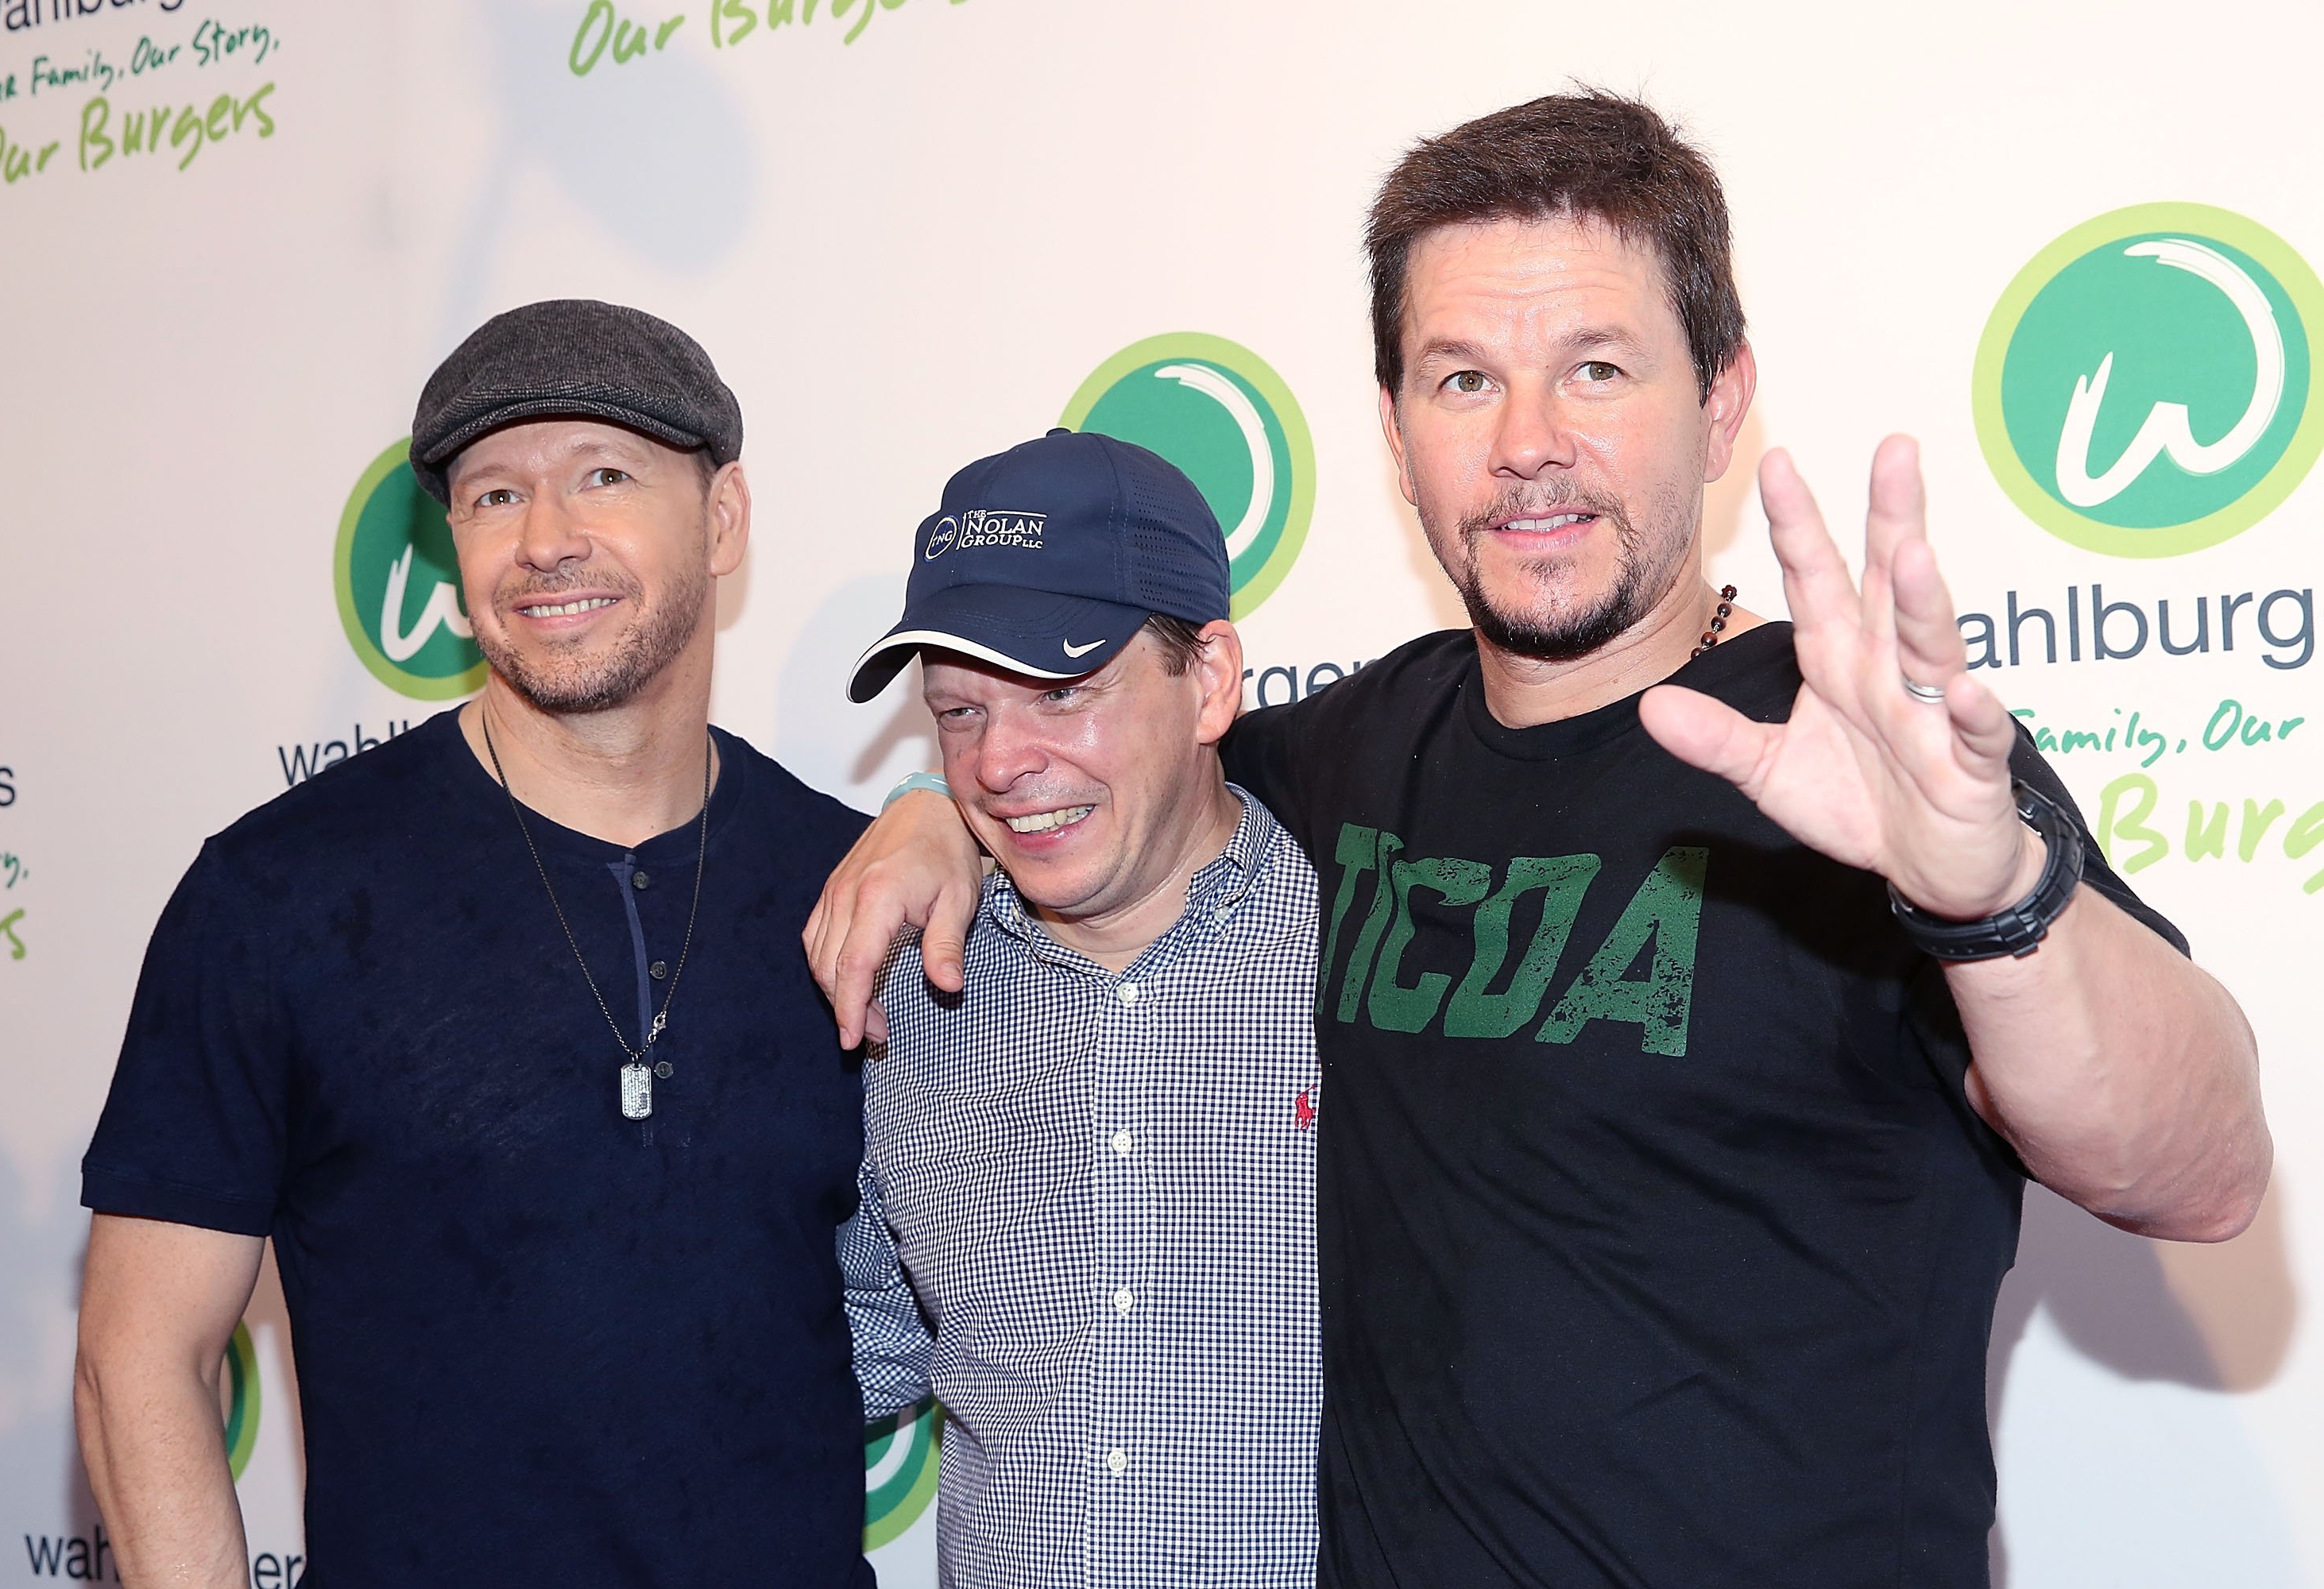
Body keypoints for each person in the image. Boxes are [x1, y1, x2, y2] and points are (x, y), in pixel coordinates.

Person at [803, 95, 2272, 1587]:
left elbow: (2203, 1174)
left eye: (1595, 368)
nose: (1525, 445)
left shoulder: (1861, 755)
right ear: (1393, 434)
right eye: (1461, 379)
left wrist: (1997, 901)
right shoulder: (1350, 752)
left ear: (1720, 401)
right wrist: (932, 820)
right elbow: (1095, 779)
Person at [75, 300, 876, 1587]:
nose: (546, 540)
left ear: (722, 520)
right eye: (494, 496)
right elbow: (137, 1357)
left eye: (603, 476)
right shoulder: (277, 896)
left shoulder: (853, 887)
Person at [837, 430, 1322, 1587]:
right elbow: (854, 1349)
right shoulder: (903, 998)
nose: (1001, 763)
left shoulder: (1370, 954)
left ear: (1208, 681)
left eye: (1062, 691)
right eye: (957, 713)